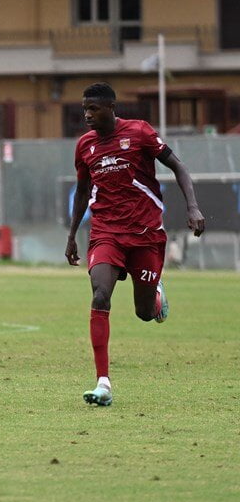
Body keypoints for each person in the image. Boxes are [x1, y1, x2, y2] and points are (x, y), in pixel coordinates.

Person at [66, 82, 205, 406]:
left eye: (93, 109)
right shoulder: (85, 146)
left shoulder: (140, 133)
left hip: (145, 233)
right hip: (106, 232)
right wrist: (73, 235)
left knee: (143, 313)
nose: (87, 115)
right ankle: (103, 383)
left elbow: (178, 167)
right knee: (100, 294)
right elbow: (84, 193)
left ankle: (155, 297)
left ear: (111, 108)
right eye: (84, 109)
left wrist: (193, 206)